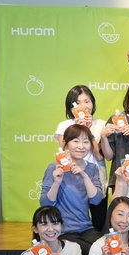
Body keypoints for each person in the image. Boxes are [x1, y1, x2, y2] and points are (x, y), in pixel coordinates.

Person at [40, 124, 103, 255]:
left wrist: (84, 176)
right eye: (76, 141)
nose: (81, 146)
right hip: (64, 230)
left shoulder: (92, 169)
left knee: (104, 248)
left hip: (86, 228)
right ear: (65, 144)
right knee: (90, 251)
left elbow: (96, 200)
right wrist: (56, 182)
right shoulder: (53, 168)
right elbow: (45, 204)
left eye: (86, 141)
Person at [54, 85, 108, 231]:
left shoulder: (102, 125)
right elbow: (65, 151)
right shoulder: (64, 125)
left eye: (87, 101)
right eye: (77, 103)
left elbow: (99, 156)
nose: (83, 107)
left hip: (96, 178)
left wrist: (88, 131)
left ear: (93, 103)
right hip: (72, 179)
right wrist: (78, 129)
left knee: (99, 222)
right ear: (70, 106)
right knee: (74, 222)